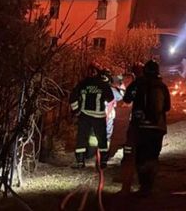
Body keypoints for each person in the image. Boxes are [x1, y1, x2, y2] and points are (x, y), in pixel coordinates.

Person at [120, 59, 171, 195]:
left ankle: (142, 186)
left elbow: (126, 99)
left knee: (140, 156)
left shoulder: (137, 83)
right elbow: (167, 107)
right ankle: (149, 186)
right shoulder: (162, 86)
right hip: (157, 128)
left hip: (140, 127)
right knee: (153, 156)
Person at [69, 63, 115, 169]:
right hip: (99, 117)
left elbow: (73, 98)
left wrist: (77, 111)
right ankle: (103, 162)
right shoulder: (103, 84)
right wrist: (107, 112)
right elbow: (111, 99)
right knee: (102, 139)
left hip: (84, 116)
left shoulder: (82, 83)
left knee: (82, 138)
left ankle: (80, 162)